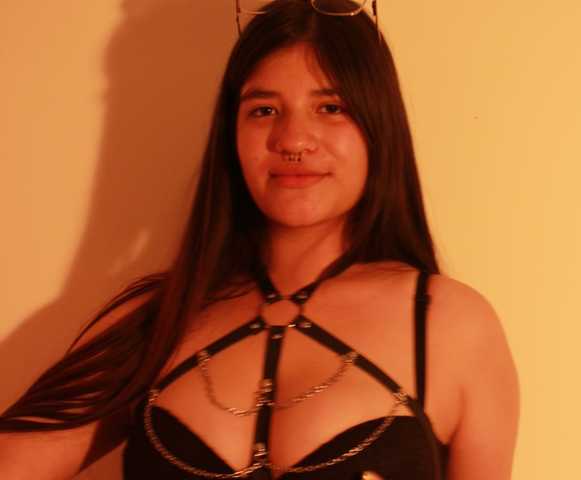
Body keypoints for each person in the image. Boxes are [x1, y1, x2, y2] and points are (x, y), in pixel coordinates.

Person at [0, 0, 519, 478]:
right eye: (264, 110)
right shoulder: (157, 318)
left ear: (379, 127)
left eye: (330, 107)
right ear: (231, 133)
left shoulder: (450, 326)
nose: (293, 139)